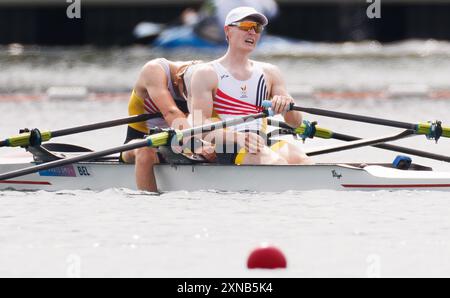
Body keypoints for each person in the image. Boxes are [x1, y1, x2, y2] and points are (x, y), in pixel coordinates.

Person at [189, 7, 310, 165]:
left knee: (302, 161)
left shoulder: (270, 72)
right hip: (227, 146)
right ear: (228, 31)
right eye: (246, 26)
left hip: (261, 141)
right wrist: (238, 137)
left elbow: (295, 123)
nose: (252, 32)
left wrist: (287, 105)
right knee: (277, 163)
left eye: (257, 28)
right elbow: (200, 127)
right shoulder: (206, 73)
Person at [121, 58, 215, 192]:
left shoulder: (204, 79)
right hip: (139, 142)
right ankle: (148, 201)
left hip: (176, 142)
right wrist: (197, 144)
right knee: (145, 150)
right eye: (188, 93)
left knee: (220, 145)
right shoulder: (154, 70)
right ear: (177, 80)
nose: (192, 97)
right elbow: (171, 112)